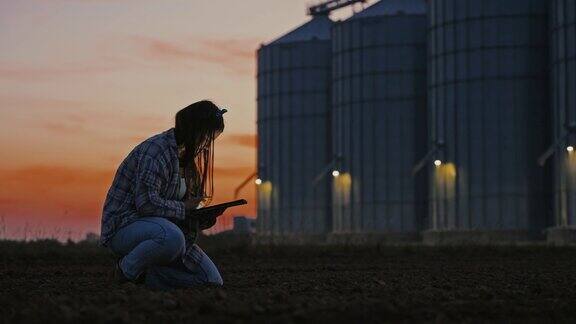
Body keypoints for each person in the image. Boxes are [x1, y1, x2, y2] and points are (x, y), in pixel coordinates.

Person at [100, 100, 226, 290]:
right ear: (194, 131)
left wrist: (201, 218)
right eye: (206, 136)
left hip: (164, 231)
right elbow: (146, 204)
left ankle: (146, 277)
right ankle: (124, 271)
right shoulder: (156, 151)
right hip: (125, 227)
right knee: (172, 238)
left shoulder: (190, 165)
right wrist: (185, 208)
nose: (207, 143)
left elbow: (180, 211)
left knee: (211, 280)